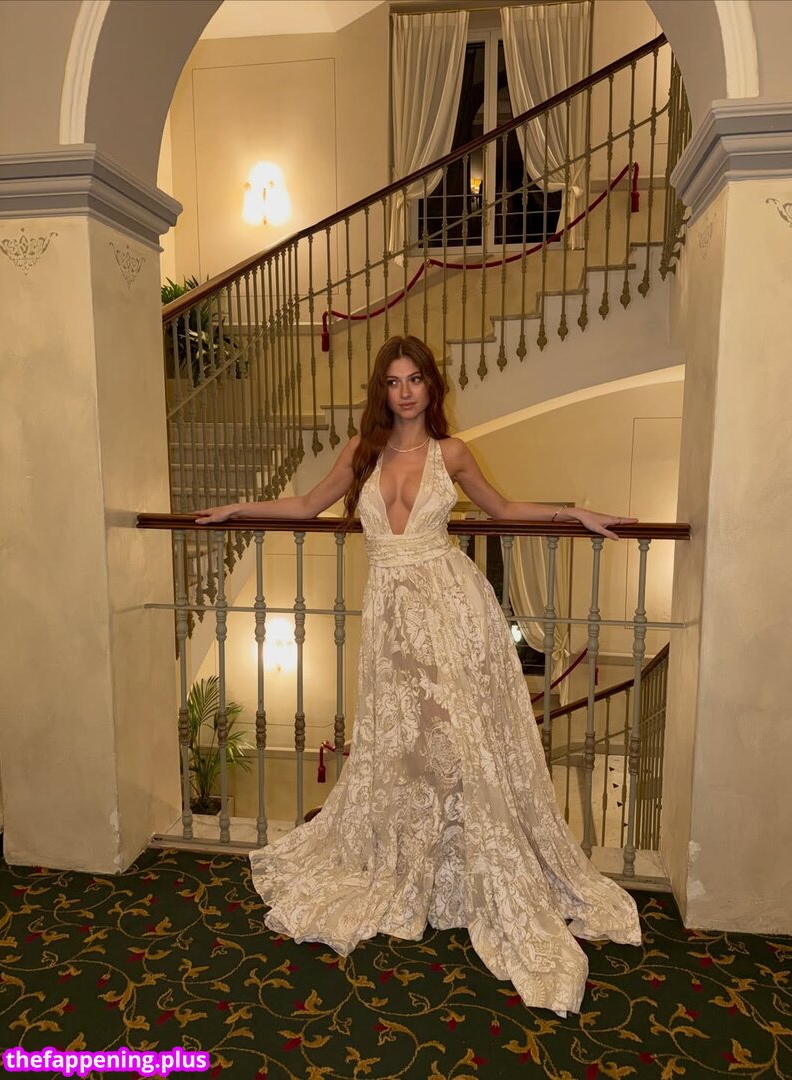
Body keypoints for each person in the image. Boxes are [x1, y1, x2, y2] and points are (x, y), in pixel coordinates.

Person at [196, 335, 642, 1016]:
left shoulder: (450, 453)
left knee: (459, 741)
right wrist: (238, 510)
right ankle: (424, 867)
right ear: (382, 390)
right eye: (394, 381)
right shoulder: (362, 453)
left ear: (432, 386)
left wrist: (574, 513)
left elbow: (503, 511)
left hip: (454, 611)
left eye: (415, 380)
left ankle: (464, 868)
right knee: (404, 745)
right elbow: (307, 505)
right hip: (392, 621)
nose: (405, 392)